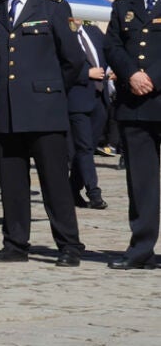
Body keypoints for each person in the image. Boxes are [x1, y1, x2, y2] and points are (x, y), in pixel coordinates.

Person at [0, 0, 84, 267]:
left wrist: (50, 92)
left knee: (55, 183)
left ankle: (69, 245)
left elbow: (73, 60)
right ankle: (15, 243)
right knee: (12, 184)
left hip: (44, 110)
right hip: (8, 110)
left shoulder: (52, 8)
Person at [104, 0, 161, 270]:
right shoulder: (123, 7)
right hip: (135, 105)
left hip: (157, 93)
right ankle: (141, 249)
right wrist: (132, 75)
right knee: (140, 183)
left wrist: (151, 77)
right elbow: (112, 46)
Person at [67, 15, 111, 211]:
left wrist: (114, 71)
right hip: (77, 99)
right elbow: (59, 66)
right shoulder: (63, 36)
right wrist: (86, 73)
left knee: (88, 148)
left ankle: (72, 188)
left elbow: (108, 54)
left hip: (99, 98)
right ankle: (94, 193)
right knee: (84, 147)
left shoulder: (94, 32)